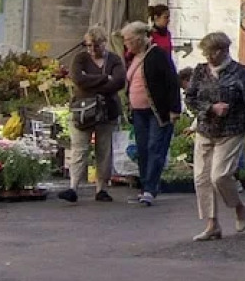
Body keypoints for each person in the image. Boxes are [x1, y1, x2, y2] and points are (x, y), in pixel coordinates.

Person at [186, 32, 245, 241]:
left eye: (211, 52)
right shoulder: (200, 71)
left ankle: (238, 206)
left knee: (219, 176)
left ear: (223, 51)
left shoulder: (240, 72)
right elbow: (190, 99)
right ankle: (212, 224)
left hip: (232, 130)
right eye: (206, 52)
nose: (208, 57)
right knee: (202, 178)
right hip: (205, 129)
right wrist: (210, 108)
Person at [58, 26, 125, 204]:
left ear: (104, 43)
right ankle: (73, 187)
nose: (92, 50)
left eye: (96, 46)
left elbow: (118, 81)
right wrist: (104, 79)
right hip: (83, 111)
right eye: (88, 46)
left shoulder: (114, 60)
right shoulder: (80, 58)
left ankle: (101, 188)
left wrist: (91, 81)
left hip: (107, 111)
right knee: (80, 148)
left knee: (104, 150)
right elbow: (78, 80)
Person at [121, 20, 181, 207]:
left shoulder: (158, 55)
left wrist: (174, 109)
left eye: (128, 40)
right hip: (139, 112)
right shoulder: (134, 57)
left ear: (139, 39)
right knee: (143, 149)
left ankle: (150, 189)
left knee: (155, 148)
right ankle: (144, 187)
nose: (126, 44)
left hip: (157, 111)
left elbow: (172, 82)